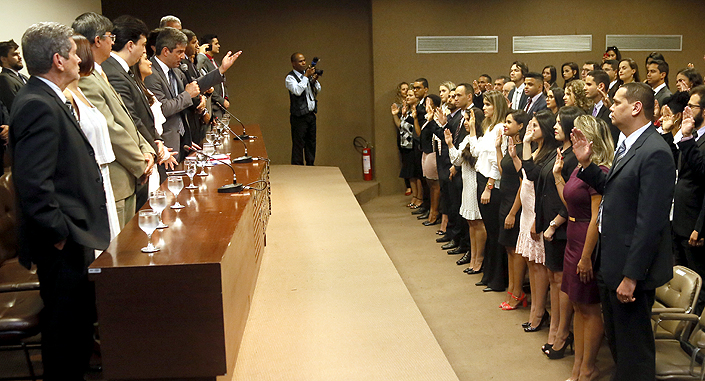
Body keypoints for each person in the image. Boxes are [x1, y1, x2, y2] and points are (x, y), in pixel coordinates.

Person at [10, 21, 110, 380]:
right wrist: (60, 234)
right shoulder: (38, 103)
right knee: (65, 330)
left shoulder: (48, 96)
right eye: (71, 52)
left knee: (77, 324)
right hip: (62, 240)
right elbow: (34, 183)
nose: (77, 59)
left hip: (71, 233)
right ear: (58, 59)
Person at [573, 82, 675, 380]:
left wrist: (632, 276)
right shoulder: (628, 142)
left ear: (636, 107)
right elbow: (616, 191)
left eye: (616, 101)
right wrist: (587, 165)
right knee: (619, 342)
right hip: (613, 260)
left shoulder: (655, 151)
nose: (610, 106)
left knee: (635, 350)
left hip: (631, 270)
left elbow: (650, 222)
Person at [73, 12, 155, 228]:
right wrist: (140, 162)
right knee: (118, 252)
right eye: (110, 36)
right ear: (98, 40)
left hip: (128, 174)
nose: (113, 41)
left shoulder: (101, 73)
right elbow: (111, 129)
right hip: (118, 176)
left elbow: (126, 118)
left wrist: (146, 148)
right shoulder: (86, 79)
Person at [553, 115, 612, 378]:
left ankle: (589, 367)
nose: (572, 138)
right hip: (573, 236)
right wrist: (557, 176)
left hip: (586, 243)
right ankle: (577, 364)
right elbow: (570, 204)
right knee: (577, 304)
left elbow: (596, 218)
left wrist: (586, 257)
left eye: (578, 135)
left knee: (589, 306)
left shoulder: (600, 171)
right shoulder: (579, 168)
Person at [64, 34, 120, 242]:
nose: (78, 60)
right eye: (74, 55)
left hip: (103, 175)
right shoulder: (67, 96)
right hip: (90, 179)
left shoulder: (79, 90)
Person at [510, 109, 558, 332]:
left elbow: (539, 181)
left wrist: (537, 220)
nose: (531, 129)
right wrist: (517, 156)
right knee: (530, 262)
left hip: (538, 214)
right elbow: (526, 175)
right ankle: (536, 311)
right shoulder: (538, 150)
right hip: (527, 211)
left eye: (536, 126)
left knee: (539, 267)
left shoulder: (552, 154)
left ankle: (538, 312)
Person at [540, 107, 582, 351]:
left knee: (562, 281)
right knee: (553, 278)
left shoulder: (575, 156)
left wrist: (556, 222)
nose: (555, 126)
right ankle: (555, 326)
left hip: (563, 225)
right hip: (550, 224)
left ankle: (563, 331)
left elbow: (573, 198)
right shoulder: (559, 151)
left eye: (558, 122)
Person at [475, 90, 508, 292]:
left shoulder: (500, 129)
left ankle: (497, 279)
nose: (485, 107)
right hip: (482, 178)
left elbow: (497, 162)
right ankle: (488, 274)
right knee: (489, 230)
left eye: (488, 104)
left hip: (492, 185)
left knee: (495, 233)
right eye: (484, 104)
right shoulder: (488, 127)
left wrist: (488, 187)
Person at [496, 109, 529, 309]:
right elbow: (503, 170)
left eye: (509, 122)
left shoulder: (524, 148)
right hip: (505, 199)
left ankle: (518, 292)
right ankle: (511, 289)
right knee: (508, 248)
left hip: (514, 204)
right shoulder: (512, 146)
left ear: (521, 126)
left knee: (516, 250)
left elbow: (522, 183)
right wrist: (498, 149)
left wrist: (512, 213)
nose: (505, 125)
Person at [446, 107, 484, 273]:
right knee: (471, 222)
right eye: (466, 120)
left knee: (478, 223)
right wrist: (449, 145)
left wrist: (474, 132)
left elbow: (476, 153)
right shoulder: (467, 138)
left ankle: (480, 259)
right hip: (467, 184)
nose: (466, 123)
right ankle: (473, 257)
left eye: (469, 120)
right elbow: (457, 160)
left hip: (477, 184)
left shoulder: (481, 139)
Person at [285, 52, 321, 165]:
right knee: (298, 144)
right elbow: (297, 91)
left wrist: (313, 80)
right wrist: (305, 77)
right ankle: (297, 169)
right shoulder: (290, 78)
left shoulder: (307, 75)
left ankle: (311, 166)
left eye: (304, 60)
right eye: (300, 61)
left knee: (311, 143)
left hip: (310, 115)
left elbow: (318, 89)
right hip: (299, 117)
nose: (304, 63)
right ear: (293, 64)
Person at [418, 94, 442, 225]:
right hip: (425, 152)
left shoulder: (437, 118)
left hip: (433, 153)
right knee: (429, 183)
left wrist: (432, 119)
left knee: (435, 185)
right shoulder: (426, 118)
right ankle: (431, 210)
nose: (426, 104)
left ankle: (434, 212)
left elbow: (438, 134)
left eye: (429, 102)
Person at [196, 34, 229, 120]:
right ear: (208, 46)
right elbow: (207, 83)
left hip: (220, 107)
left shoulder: (216, 63)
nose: (219, 46)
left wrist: (226, 98)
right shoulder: (203, 62)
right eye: (216, 43)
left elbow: (222, 83)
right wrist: (221, 101)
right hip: (213, 105)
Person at [585, 70, 619, 144]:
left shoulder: (612, 108)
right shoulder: (590, 109)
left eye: (589, 84)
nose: (585, 88)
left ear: (601, 86)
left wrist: (610, 107)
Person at [0, 39, 28, 111]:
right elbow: (14, 105)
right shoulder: (4, 78)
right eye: (15, 54)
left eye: (19, 54)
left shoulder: (23, 77)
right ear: (3, 59)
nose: (20, 57)